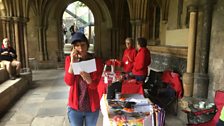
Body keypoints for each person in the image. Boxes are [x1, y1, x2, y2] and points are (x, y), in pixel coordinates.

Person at [64, 32, 104, 126]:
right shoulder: (69, 60)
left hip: (91, 107)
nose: (81, 49)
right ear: (73, 47)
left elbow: (95, 86)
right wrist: (72, 63)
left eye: (83, 45)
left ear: (87, 45)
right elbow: (69, 82)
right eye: (77, 46)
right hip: (75, 107)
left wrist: (89, 79)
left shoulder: (96, 61)